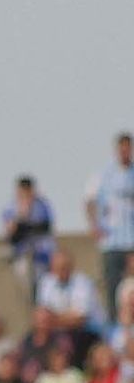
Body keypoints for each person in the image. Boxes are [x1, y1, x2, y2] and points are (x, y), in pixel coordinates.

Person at [85, 133, 134, 313]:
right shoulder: (104, 175)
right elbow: (90, 200)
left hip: (132, 240)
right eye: (122, 148)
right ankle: (115, 326)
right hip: (112, 241)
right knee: (113, 286)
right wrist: (94, 226)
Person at [2, 176, 54, 299]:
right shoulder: (11, 208)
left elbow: (45, 228)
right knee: (27, 292)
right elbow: (11, 233)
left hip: (41, 256)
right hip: (21, 255)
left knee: (43, 291)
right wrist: (22, 215)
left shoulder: (41, 206)